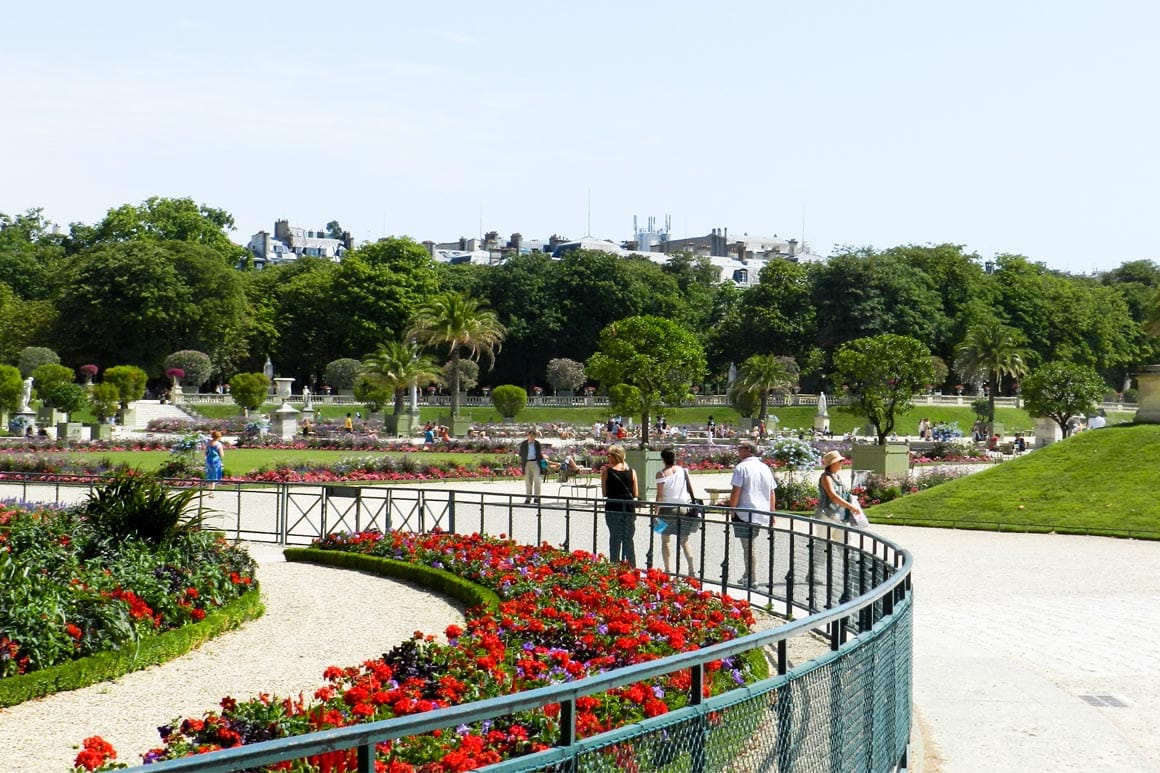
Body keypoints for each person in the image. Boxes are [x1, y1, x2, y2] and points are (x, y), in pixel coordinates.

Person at [727, 439, 776, 588]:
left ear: (748, 449)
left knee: (748, 546)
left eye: (740, 448)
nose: (737, 450)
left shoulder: (741, 468)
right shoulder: (765, 467)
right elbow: (772, 493)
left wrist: (732, 509)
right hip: (761, 512)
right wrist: (772, 513)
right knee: (749, 545)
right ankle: (747, 574)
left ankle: (752, 578)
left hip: (745, 512)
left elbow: (736, 491)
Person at [654, 448, 699, 574]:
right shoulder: (683, 471)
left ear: (663, 459)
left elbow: (660, 496)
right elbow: (690, 489)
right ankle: (691, 569)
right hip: (683, 508)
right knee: (684, 541)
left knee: (665, 541)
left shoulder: (661, 474)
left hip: (666, 509)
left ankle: (668, 569)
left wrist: (655, 514)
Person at [601, 445, 638, 566]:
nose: (607, 457)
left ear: (614, 456)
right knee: (628, 539)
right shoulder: (632, 471)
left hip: (613, 507)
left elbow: (604, 493)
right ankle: (632, 566)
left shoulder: (607, 472)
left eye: (609, 455)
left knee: (615, 539)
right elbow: (635, 493)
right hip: (628, 508)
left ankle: (614, 566)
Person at [517, 429, 544, 503]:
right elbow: (521, 454)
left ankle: (537, 497)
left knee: (537, 480)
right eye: (530, 435)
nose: (532, 437)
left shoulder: (537, 443)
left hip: (535, 462)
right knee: (528, 481)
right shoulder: (524, 444)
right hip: (526, 463)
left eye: (533, 435)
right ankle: (528, 498)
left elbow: (539, 454)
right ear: (528, 436)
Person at [204, 430, 225, 495]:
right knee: (214, 475)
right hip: (215, 461)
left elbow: (205, 453)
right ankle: (211, 492)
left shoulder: (208, 443)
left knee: (209, 474)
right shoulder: (218, 444)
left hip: (209, 460)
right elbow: (221, 454)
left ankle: (210, 489)